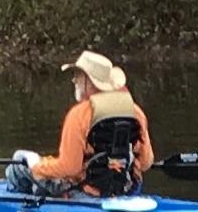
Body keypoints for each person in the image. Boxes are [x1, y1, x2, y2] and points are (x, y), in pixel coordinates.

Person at [15, 51, 149, 195]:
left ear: (89, 81)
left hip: (85, 192)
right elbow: (146, 162)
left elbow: (70, 168)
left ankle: (15, 205)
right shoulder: (135, 111)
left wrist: (36, 167)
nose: (74, 80)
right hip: (128, 189)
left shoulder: (79, 114)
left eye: (77, 76)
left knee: (19, 160)